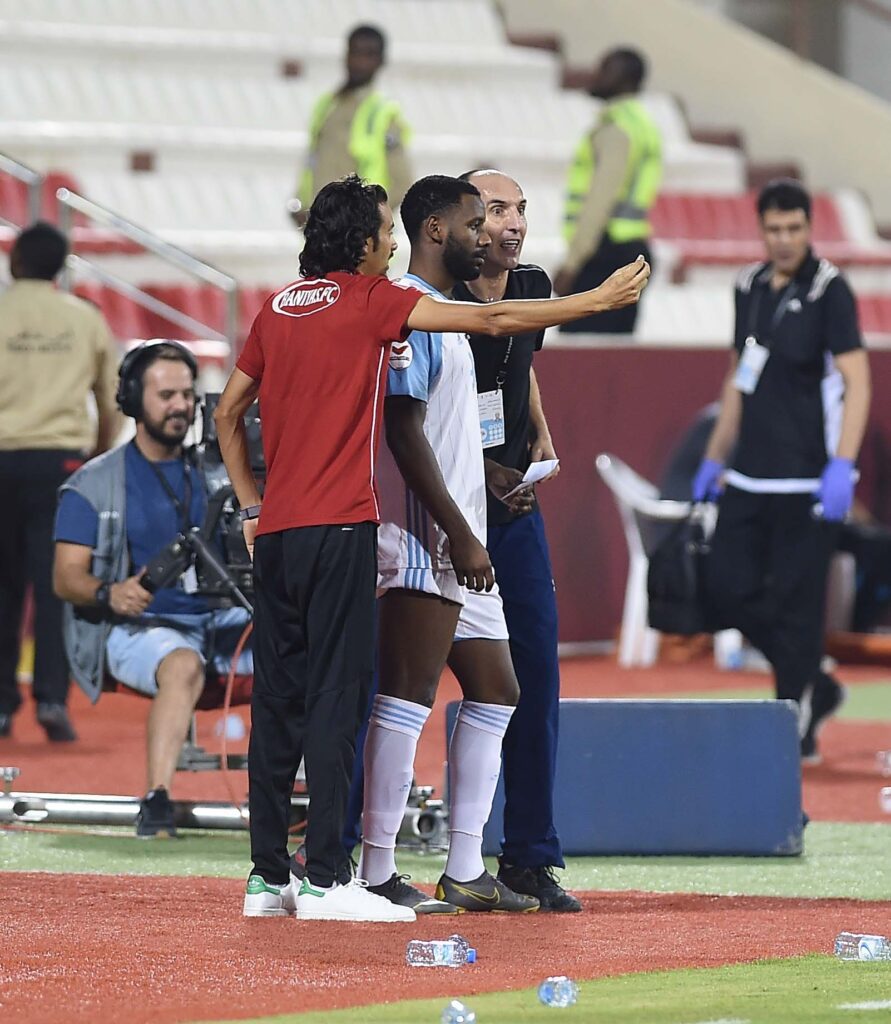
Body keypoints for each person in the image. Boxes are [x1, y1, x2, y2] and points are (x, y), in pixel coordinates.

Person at [213, 173, 649, 922]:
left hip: (320, 527)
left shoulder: (295, 305)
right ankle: (352, 873)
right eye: (478, 219)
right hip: (395, 529)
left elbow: (229, 411)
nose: (489, 232)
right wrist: (595, 303)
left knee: (482, 689)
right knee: (370, 699)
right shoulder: (391, 306)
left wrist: (252, 505)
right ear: (416, 233)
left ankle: (412, 870)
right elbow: (419, 411)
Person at [692, 179, 871, 765]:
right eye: (774, 229)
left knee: (798, 606)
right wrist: (716, 456)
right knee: (725, 591)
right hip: (747, 479)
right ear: (761, 229)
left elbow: (857, 381)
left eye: (795, 228)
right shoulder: (747, 286)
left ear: (810, 228)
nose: (785, 239)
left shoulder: (830, 292)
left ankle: (797, 721)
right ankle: (813, 675)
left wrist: (842, 465)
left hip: (805, 483)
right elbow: (737, 379)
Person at [53, 340, 253, 836]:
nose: (181, 406)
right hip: (140, 626)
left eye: (187, 394)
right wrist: (109, 593)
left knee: (298, 642)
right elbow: (65, 576)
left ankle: (291, 788)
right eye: (166, 395)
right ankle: (157, 798)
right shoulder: (93, 483)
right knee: (182, 664)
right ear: (130, 399)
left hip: (222, 618)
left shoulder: (219, 470)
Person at [446, 169, 579, 912]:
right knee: (389, 680)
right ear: (462, 222)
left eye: (521, 208)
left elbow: (518, 370)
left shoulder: (532, 283)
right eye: (497, 208)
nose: (515, 221)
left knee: (535, 676)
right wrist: (478, 475)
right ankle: (338, 850)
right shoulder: (432, 297)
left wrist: (541, 443)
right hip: (443, 509)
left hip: (515, 510)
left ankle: (529, 856)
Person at [0, 221, 120, 743]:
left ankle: (1, 706)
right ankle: (52, 698)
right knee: (57, 587)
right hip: (62, 466)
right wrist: (95, 452)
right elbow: (112, 397)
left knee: (2, 588)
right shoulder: (84, 319)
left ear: (16, 261)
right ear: (62, 266)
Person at [554, 47, 662, 335]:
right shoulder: (642, 124)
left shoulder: (617, 128)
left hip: (606, 254)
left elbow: (600, 199)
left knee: (584, 355)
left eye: (605, 69)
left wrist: (572, 263)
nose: (596, 75)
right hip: (628, 249)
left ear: (626, 79)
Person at [291, 24, 412, 227]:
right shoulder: (327, 106)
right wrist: (303, 206)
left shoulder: (382, 113)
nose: (360, 62)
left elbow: (401, 182)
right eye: (355, 52)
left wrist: (363, 222)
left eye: (368, 54)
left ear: (381, 61)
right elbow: (313, 164)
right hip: (322, 234)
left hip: (357, 242)